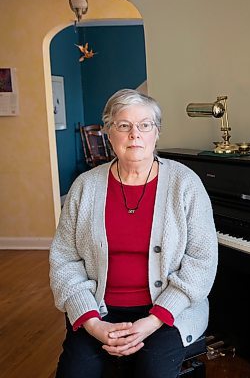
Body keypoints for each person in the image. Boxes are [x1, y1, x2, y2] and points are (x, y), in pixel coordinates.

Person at [49, 89, 218, 378]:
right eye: (123, 125)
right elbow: (64, 261)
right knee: (75, 373)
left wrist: (153, 321)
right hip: (98, 309)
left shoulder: (185, 184)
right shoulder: (84, 187)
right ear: (109, 133)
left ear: (157, 133)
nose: (134, 134)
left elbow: (201, 263)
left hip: (167, 312)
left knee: (154, 371)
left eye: (144, 125)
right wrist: (93, 323)